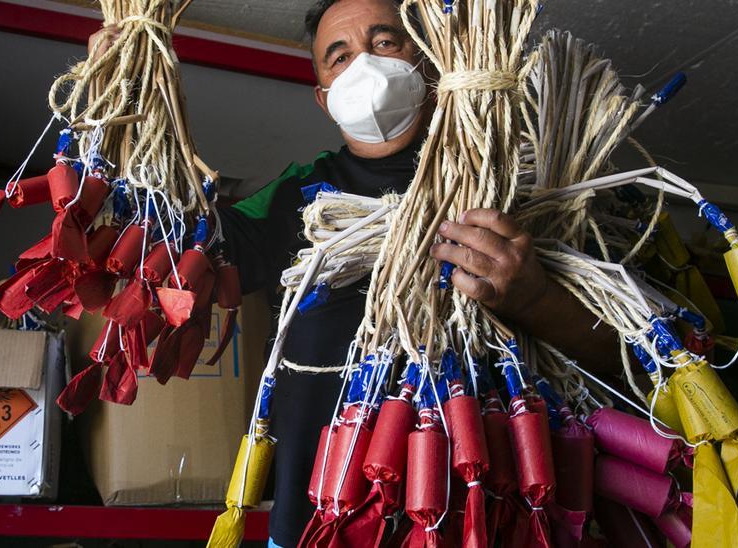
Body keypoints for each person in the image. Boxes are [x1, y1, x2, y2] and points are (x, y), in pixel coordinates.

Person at [92, 1, 619, 545]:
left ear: (432, 63)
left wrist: (533, 298)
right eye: (338, 57)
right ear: (324, 99)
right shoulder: (302, 194)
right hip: (315, 521)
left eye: (385, 43)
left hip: (484, 516)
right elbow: (176, 245)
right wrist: (126, 102)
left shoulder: (510, 188)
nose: (363, 65)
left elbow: (623, 370)